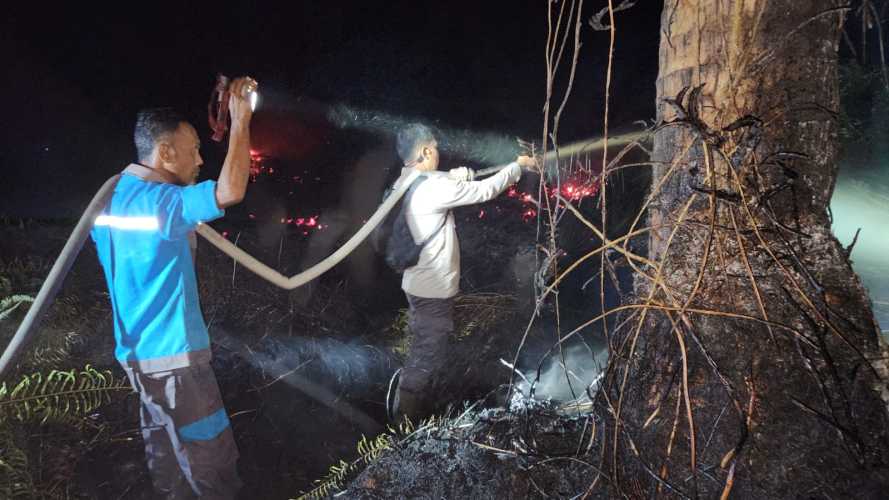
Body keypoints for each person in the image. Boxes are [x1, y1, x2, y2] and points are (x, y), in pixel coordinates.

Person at [90, 77, 257, 498]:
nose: (200, 158)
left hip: (138, 361)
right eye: (194, 149)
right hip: (177, 364)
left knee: (167, 462)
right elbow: (231, 190)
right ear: (165, 152)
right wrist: (240, 121)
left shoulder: (111, 201)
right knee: (212, 463)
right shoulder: (160, 204)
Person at [391, 123, 536, 421]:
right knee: (427, 355)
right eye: (435, 148)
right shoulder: (433, 186)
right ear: (426, 150)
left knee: (425, 344)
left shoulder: (406, 180)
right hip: (431, 290)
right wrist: (517, 168)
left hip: (417, 283)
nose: (439, 153)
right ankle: (405, 423)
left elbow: (436, 184)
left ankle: (411, 399)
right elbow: (485, 190)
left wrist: (455, 176)